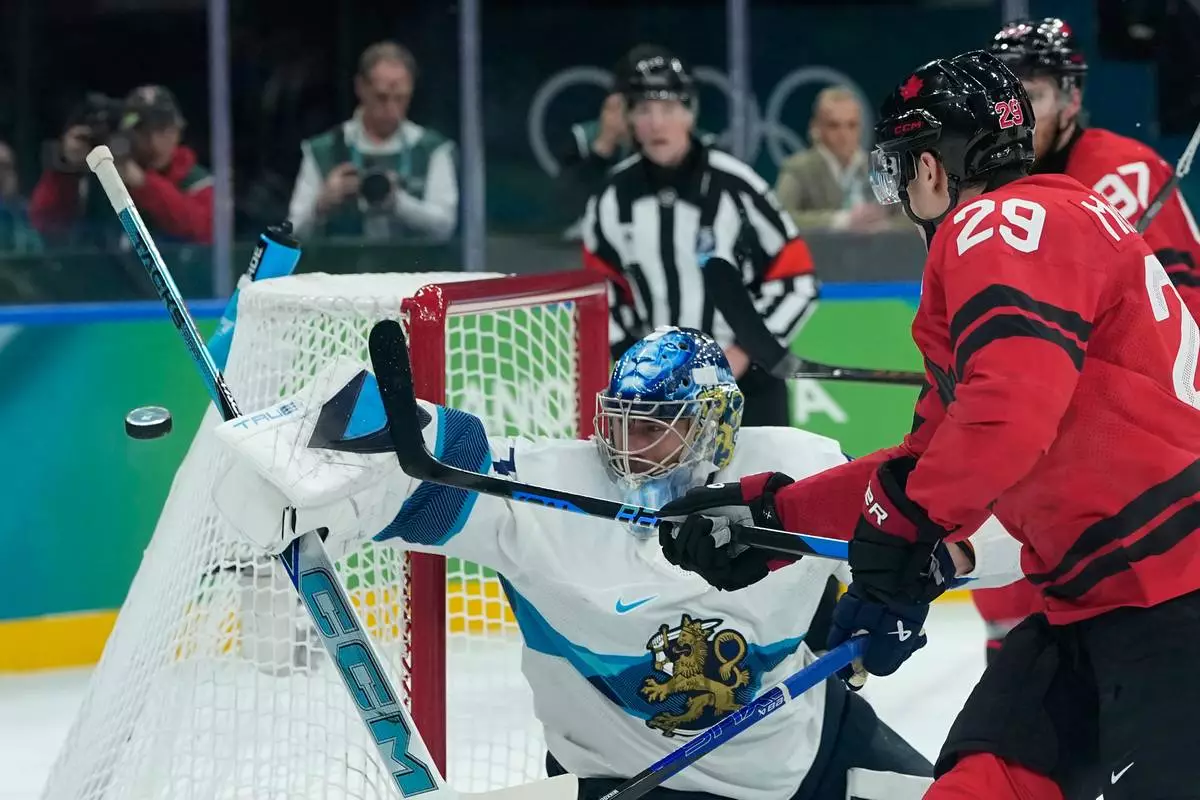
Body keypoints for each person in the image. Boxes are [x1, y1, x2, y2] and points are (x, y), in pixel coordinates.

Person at [655, 50, 1200, 799]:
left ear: (935, 170)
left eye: (900, 168)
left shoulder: (995, 222)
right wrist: (772, 516)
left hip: (1174, 605)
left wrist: (906, 532)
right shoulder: (1043, 220)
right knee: (979, 781)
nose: (901, 191)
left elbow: (1002, 422)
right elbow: (930, 461)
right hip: (1096, 610)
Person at [207, 327, 1020, 800]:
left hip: (812, 747)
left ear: (711, 430)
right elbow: (433, 455)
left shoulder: (799, 470)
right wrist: (314, 451)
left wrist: (931, 569)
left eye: (652, 426)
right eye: (619, 420)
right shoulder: (552, 495)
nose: (623, 445)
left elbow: (979, 524)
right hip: (645, 778)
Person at [969, 16, 1200, 664]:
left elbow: (1188, 308)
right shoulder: (986, 185)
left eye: (1032, 96)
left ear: (1070, 99)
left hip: (1140, 451)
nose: (1011, 116)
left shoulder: (1126, 173)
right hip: (1047, 454)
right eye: (1001, 98)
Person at [581, 45, 819, 429]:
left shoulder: (737, 187)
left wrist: (743, 353)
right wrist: (641, 372)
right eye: (643, 110)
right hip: (658, 400)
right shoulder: (612, 198)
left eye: (669, 108)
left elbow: (798, 280)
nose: (657, 123)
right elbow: (603, 295)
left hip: (747, 388)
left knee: (760, 489)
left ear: (690, 112)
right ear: (628, 119)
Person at [287, 41, 457, 243]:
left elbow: (445, 227)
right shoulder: (323, 149)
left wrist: (398, 204)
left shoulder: (432, 149)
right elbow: (293, 231)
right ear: (360, 88)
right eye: (382, 97)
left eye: (401, 98)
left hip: (412, 270)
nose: (392, 109)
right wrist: (322, 204)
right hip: (340, 270)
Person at [29, 85, 213, 247]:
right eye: (142, 131)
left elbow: (201, 229)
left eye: (163, 130)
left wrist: (142, 183)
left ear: (178, 132)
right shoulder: (100, 174)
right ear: (126, 133)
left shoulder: (198, 182)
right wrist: (66, 168)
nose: (154, 141)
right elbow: (46, 224)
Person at [773, 87, 899, 234]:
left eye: (851, 125)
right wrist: (840, 221)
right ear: (816, 127)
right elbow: (781, 217)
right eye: (834, 126)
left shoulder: (878, 167)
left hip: (873, 254)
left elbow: (910, 216)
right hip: (820, 255)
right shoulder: (798, 169)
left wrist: (884, 226)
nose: (844, 134)